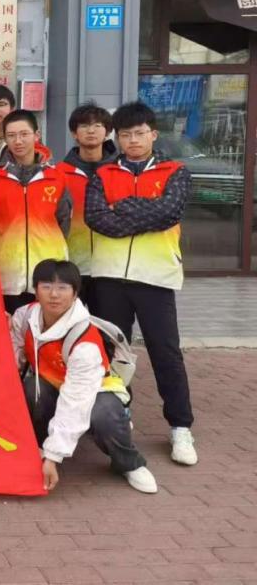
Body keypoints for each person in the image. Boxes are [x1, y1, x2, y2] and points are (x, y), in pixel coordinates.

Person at [84, 101, 198, 466]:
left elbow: (170, 211)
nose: (133, 140)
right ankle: (121, 413)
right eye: (125, 135)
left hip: (156, 276)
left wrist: (122, 208)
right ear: (117, 138)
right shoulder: (103, 174)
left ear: (153, 134)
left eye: (139, 133)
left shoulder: (175, 171)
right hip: (110, 276)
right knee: (114, 352)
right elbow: (97, 218)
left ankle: (180, 426)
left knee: (166, 352)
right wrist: (143, 210)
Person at [9, 260, 157, 494]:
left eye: (63, 287)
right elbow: (12, 359)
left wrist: (54, 456)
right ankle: (37, 446)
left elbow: (75, 400)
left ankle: (128, 462)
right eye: (46, 286)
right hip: (50, 384)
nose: (54, 295)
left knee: (103, 414)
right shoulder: (24, 316)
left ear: (75, 292)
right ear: (35, 290)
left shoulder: (84, 341)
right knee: (29, 390)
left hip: (94, 390)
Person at [0, 110, 71, 314]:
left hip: (47, 271)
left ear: (36, 135)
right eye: (11, 135)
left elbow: (63, 221)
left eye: (24, 134)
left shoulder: (56, 177)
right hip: (7, 272)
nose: (18, 141)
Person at [56, 103, 117, 307]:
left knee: (107, 323)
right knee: (71, 322)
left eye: (98, 125)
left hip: (111, 266)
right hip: (72, 265)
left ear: (107, 132)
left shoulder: (120, 171)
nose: (91, 131)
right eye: (84, 126)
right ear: (74, 133)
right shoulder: (58, 173)